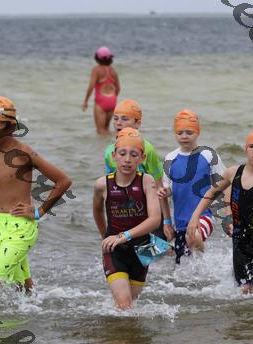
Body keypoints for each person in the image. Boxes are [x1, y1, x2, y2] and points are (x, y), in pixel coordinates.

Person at [0, 97, 72, 297]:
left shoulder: (24, 153)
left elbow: (63, 181)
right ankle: (36, 310)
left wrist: (39, 212)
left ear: (11, 127)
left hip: (21, 228)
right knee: (22, 286)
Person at [187, 128, 253, 294]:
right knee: (244, 290)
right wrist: (195, 216)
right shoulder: (233, 173)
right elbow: (211, 193)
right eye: (252, 146)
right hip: (240, 242)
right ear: (246, 149)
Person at [93, 128, 161, 310]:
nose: (127, 159)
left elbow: (155, 219)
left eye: (134, 154)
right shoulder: (102, 184)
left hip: (143, 249)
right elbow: (97, 211)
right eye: (122, 154)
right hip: (115, 249)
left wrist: (125, 236)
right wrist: (105, 237)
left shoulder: (147, 181)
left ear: (142, 158)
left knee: (131, 306)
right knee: (124, 304)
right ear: (114, 156)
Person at [158, 109, 228, 264]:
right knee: (182, 265)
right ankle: (206, 270)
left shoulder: (208, 155)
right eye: (180, 133)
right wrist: (167, 222)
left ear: (198, 132)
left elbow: (227, 182)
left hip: (205, 216)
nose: (184, 136)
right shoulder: (170, 158)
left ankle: (205, 263)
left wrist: (229, 214)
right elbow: (166, 191)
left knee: (194, 237)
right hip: (180, 221)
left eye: (189, 132)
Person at [104, 99, 172, 239]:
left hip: (149, 210)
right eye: (115, 118)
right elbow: (111, 189)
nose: (118, 123)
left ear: (138, 123)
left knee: (159, 248)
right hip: (126, 212)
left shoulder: (147, 149)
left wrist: (167, 221)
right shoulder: (110, 152)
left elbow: (158, 187)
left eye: (125, 119)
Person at [82, 46, 120, 135]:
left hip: (101, 101)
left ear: (97, 58)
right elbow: (118, 88)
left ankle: (102, 145)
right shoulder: (113, 71)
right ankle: (110, 143)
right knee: (106, 128)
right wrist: (112, 99)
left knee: (100, 130)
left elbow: (91, 86)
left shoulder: (96, 70)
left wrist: (86, 101)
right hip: (112, 100)